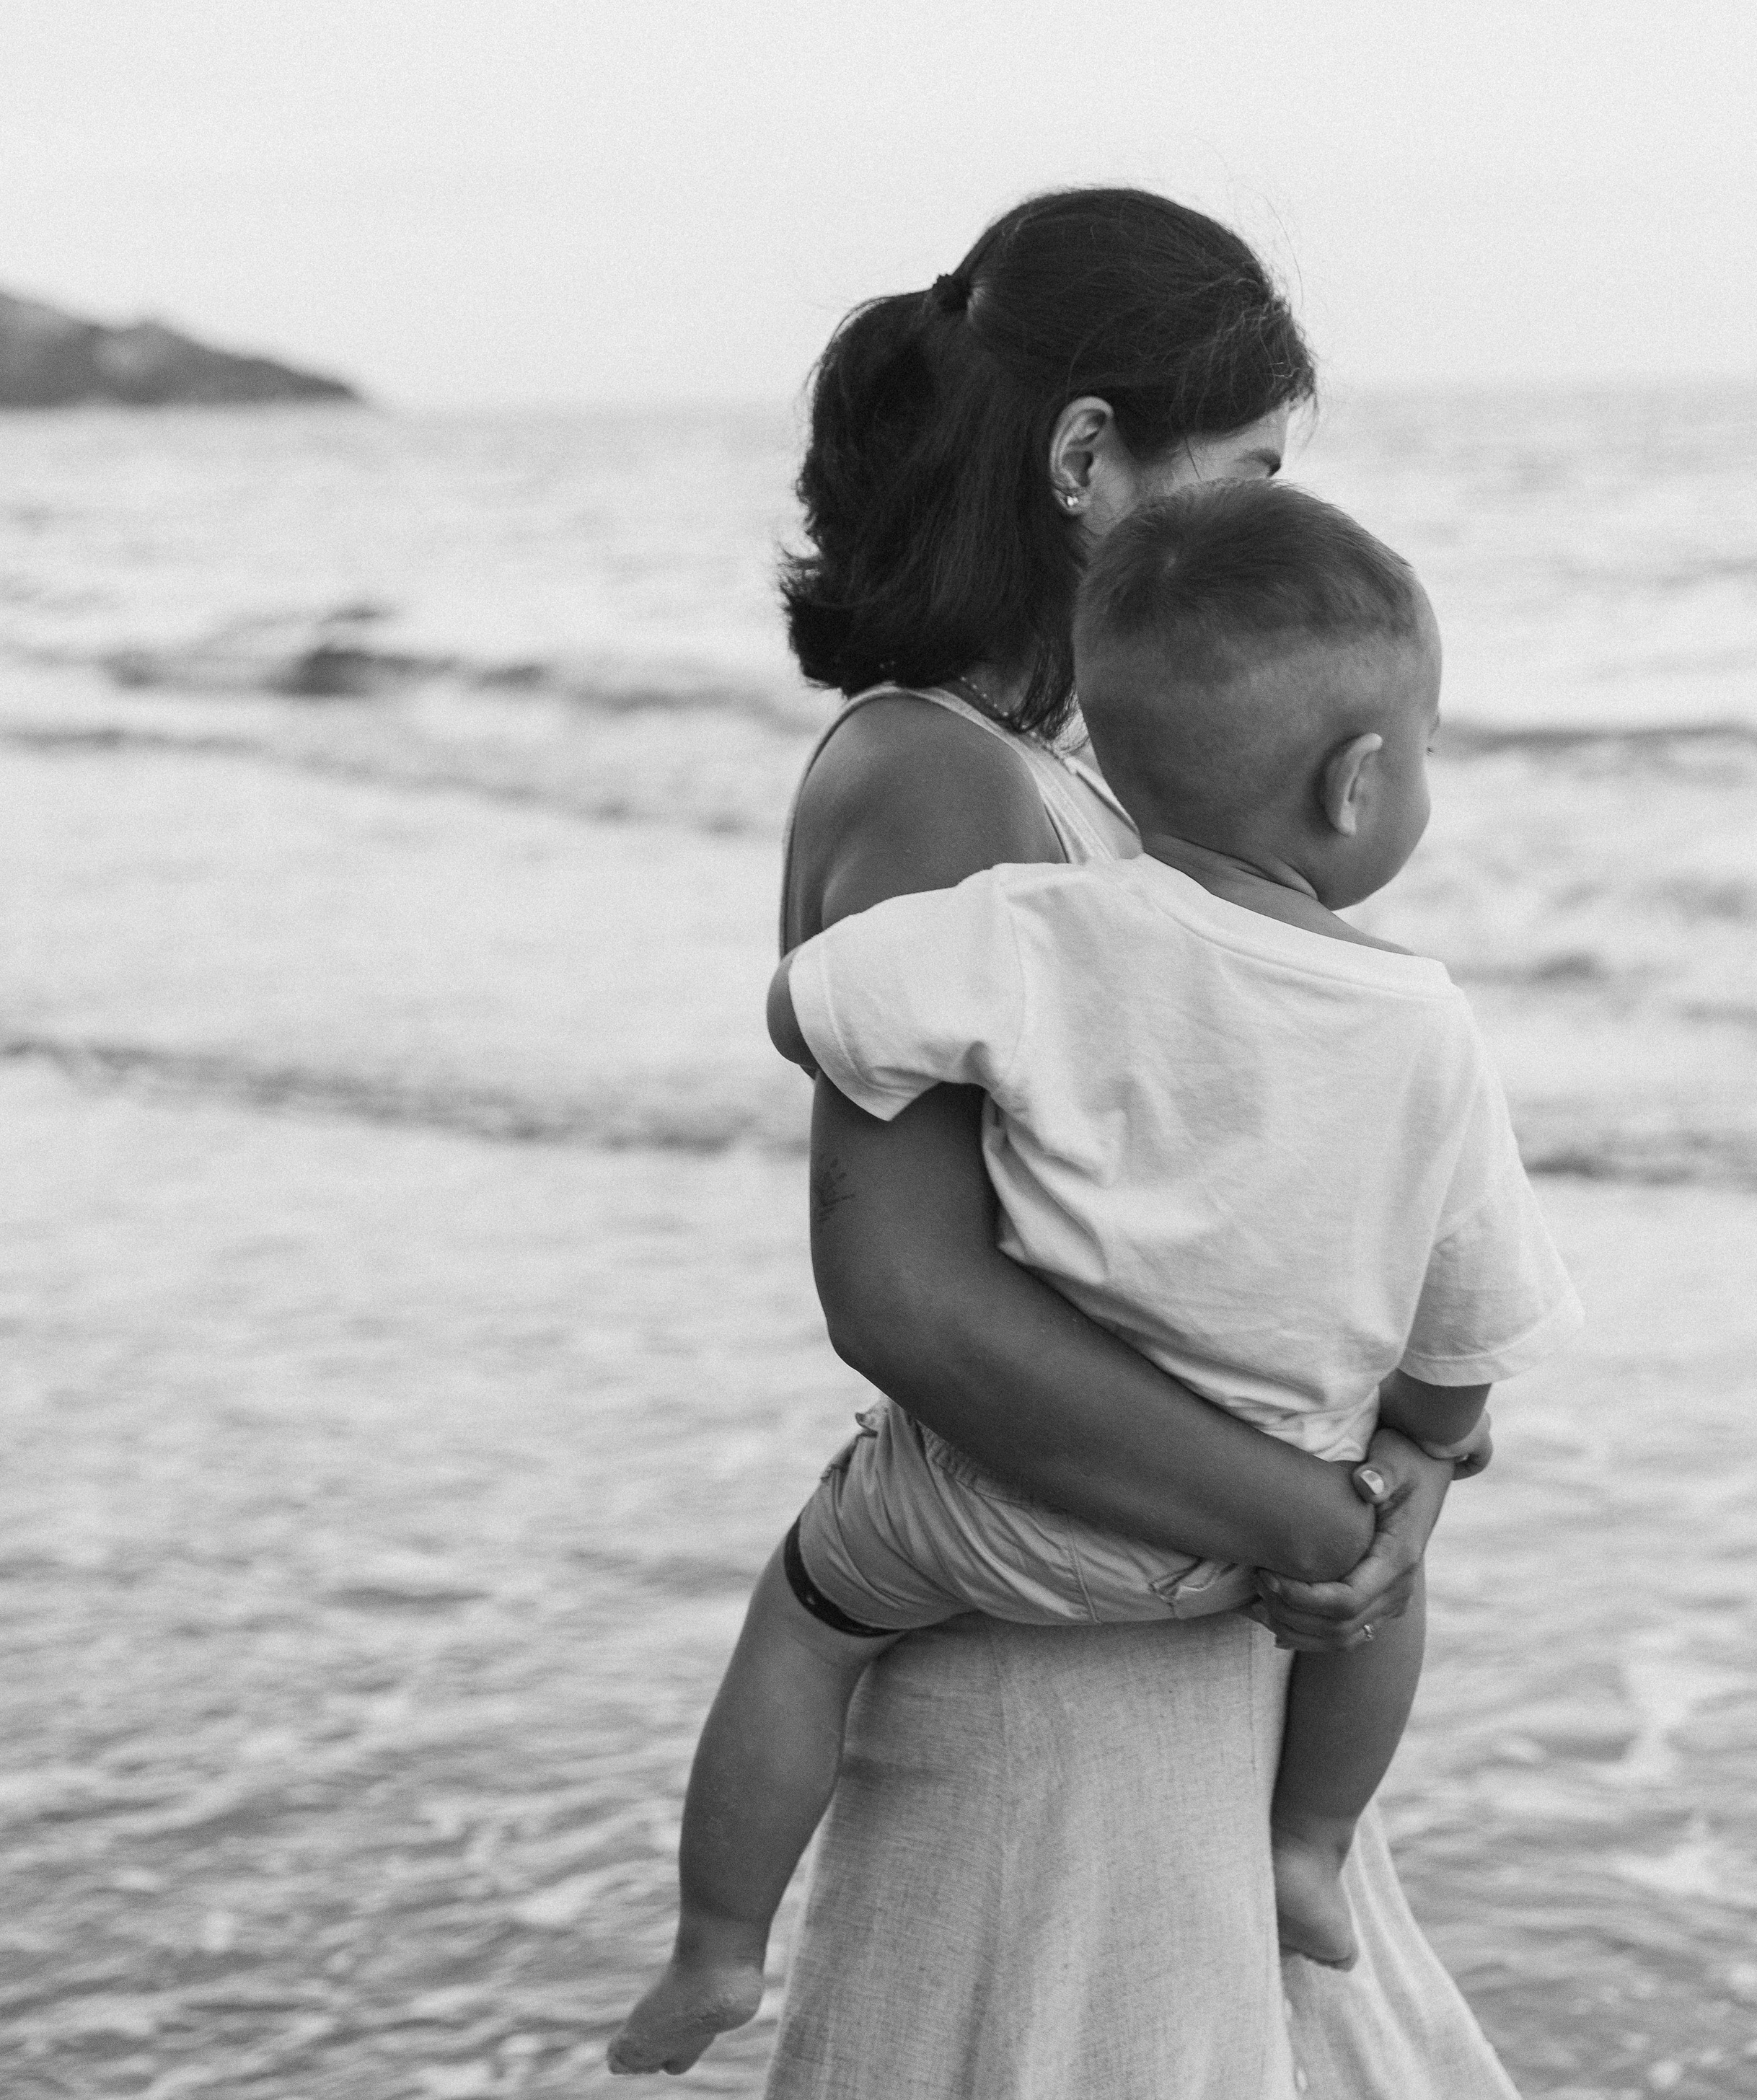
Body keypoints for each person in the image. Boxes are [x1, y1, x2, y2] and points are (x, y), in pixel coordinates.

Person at [625, 190, 1533, 2098]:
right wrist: (1324, 1518)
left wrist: (1410, 1465)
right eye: (1254, 469)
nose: (1279, 520)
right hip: (1058, 1706)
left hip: (1180, 1641)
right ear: (1086, 458)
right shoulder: (940, 775)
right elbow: (908, 1295)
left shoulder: (1072, 777)